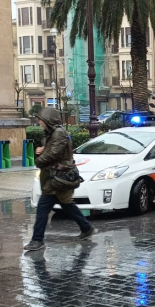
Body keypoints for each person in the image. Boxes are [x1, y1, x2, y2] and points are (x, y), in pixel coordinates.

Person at [24, 107, 95, 252]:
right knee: (66, 204)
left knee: (43, 209)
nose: (39, 122)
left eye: (40, 120)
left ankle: (37, 240)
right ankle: (86, 227)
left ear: (48, 120)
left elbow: (52, 154)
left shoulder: (58, 133)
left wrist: (38, 159)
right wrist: (41, 151)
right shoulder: (52, 133)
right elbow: (50, 151)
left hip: (58, 177)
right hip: (54, 177)